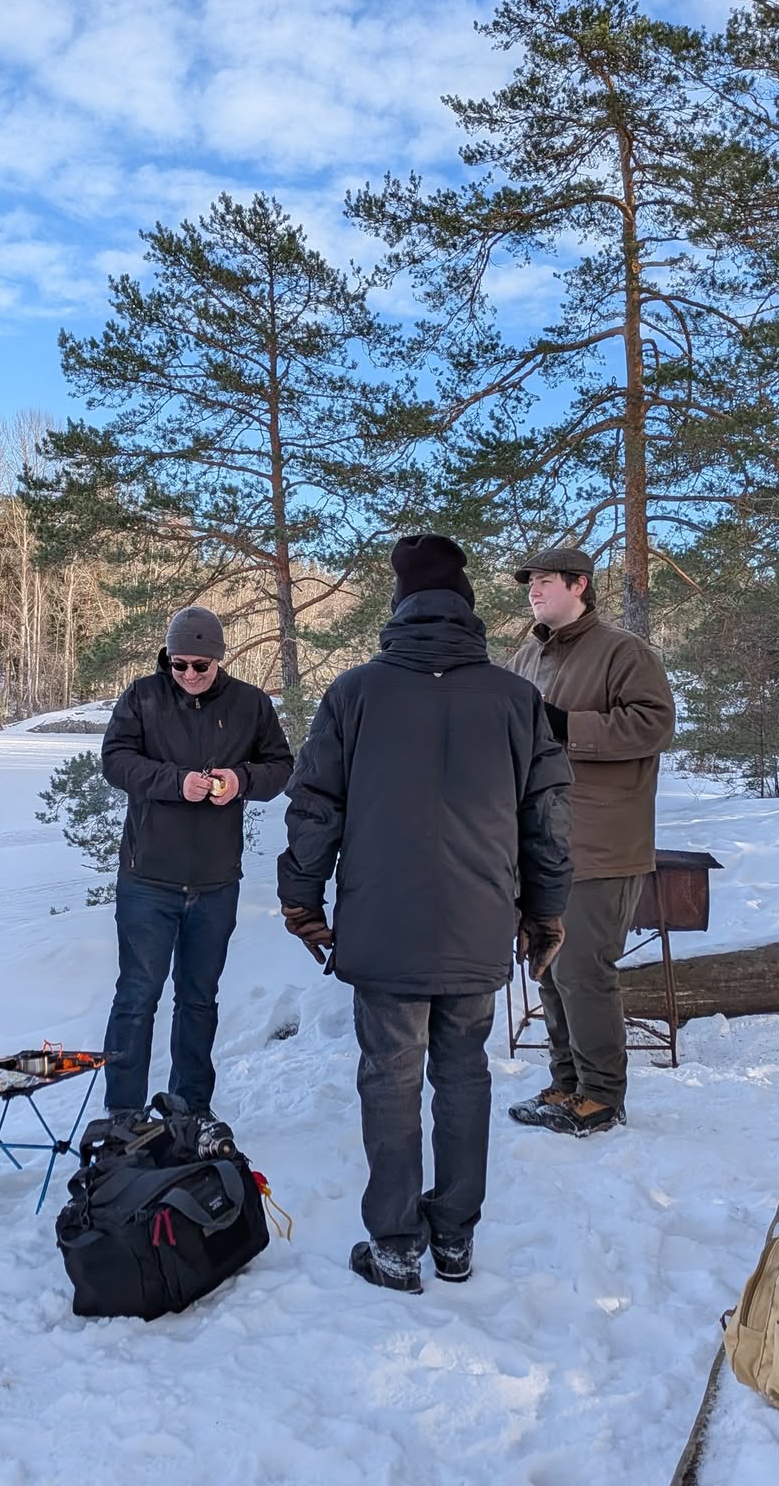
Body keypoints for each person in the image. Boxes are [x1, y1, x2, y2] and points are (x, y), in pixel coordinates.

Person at [279, 535, 571, 1294]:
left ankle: (397, 1244)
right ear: (466, 609)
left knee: (390, 1077)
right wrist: (546, 910)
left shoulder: (356, 693)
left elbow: (315, 807)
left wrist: (300, 896)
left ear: (399, 605)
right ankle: (454, 1241)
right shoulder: (516, 699)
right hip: (479, 923)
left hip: (384, 928)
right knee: (464, 1073)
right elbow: (549, 820)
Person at [99, 607, 293, 1142]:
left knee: (198, 998)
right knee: (137, 995)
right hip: (148, 878)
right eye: (178, 663)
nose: (188, 674)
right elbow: (114, 760)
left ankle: (190, 1106)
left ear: (219, 659)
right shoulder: (143, 696)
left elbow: (282, 767)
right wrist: (173, 781)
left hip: (214, 880)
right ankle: (124, 1111)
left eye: (200, 665)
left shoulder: (251, 704)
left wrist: (241, 779)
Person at [502, 547, 676, 1138]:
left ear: (579, 585)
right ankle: (565, 1084)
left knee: (582, 970)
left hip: (602, 841)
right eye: (529, 582)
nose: (533, 590)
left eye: (544, 581)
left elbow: (654, 725)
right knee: (547, 966)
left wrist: (565, 727)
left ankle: (601, 1095)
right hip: (538, 839)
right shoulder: (526, 655)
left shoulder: (623, 651)